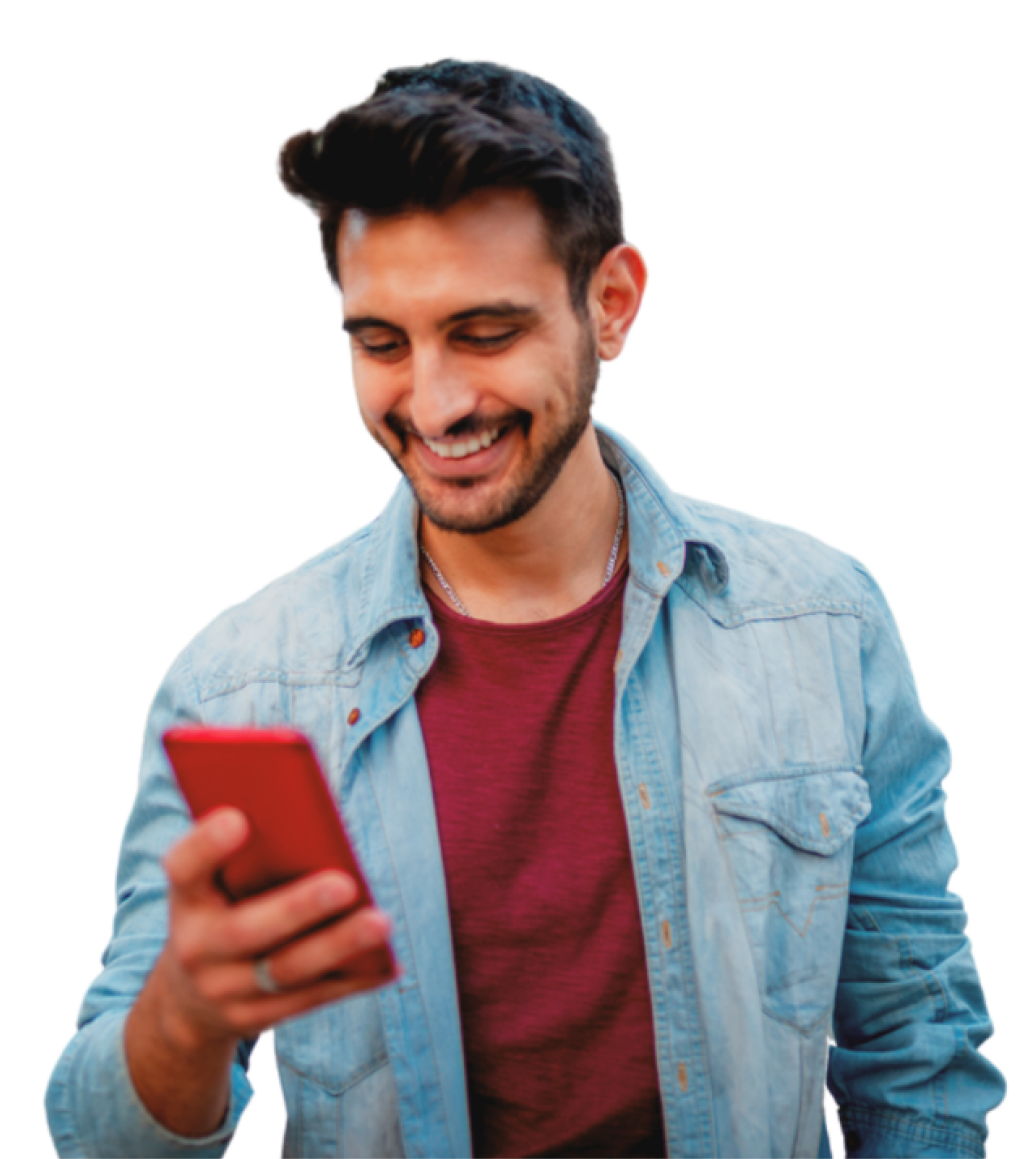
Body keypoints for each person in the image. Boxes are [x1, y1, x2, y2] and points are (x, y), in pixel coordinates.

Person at [44, 57, 1005, 1159]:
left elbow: (914, 1043)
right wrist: (190, 1014)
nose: (438, 402)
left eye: (485, 333)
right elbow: (95, 1136)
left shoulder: (820, 622)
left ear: (611, 303)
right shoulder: (245, 683)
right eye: (381, 344)